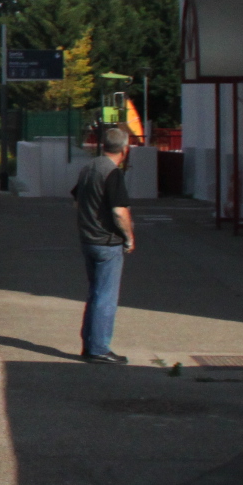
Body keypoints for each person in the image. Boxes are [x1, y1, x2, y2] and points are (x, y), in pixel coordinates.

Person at [72, 126, 136, 362]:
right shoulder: (113, 173)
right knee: (106, 296)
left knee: (95, 293)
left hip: (88, 239)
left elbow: (77, 202)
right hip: (107, 242)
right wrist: (129, 237)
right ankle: (99, 348)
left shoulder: (89, 168)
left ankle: (89, 344)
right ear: (125, 149)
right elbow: (119, 212)